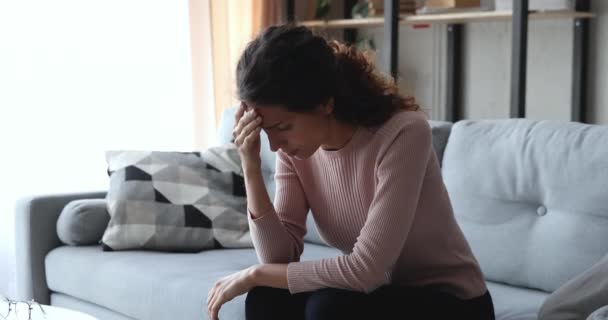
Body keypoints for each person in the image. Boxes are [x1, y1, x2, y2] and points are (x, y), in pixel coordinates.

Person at [206, 24, 495, 320]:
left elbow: (366, 271)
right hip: (379, 297)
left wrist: (255, 274)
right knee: (268, 298)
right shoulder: (296, 151)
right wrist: (250, 166)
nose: (275, 144)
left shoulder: (403, 133)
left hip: (455, 303)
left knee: (330, 309)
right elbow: (278, 258)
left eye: (283, 128)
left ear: (325, 103)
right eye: (266, 131)